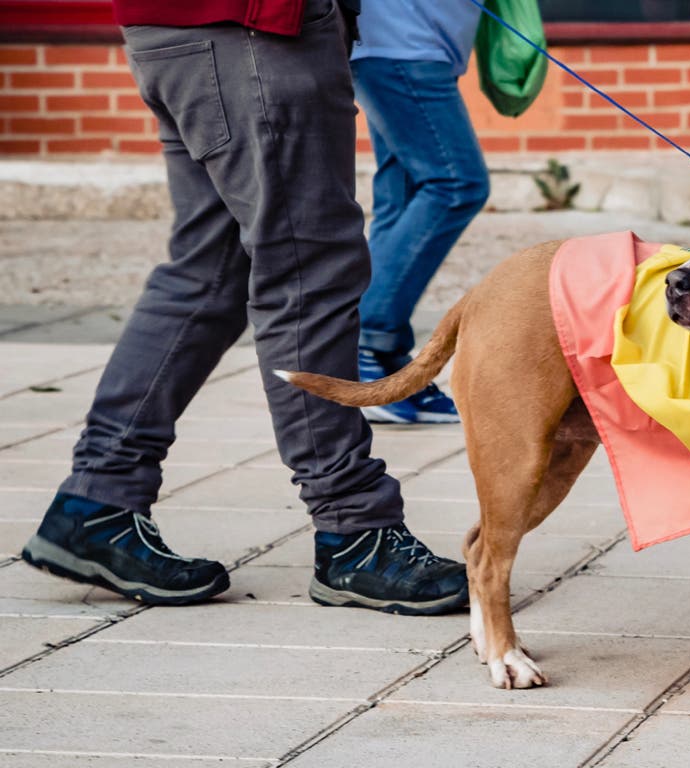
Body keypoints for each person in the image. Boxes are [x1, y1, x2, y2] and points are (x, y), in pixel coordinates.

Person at [19, 0, 469, 616]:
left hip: (182, 29)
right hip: (257, 31)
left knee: (212, 271)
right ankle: (355, 533)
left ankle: (97, 502)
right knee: (309, 268)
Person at [349, 0, 491, 424]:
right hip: (404, 46)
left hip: (401, 46)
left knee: (404, 195)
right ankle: (368, 346)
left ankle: (377, 358)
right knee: (456, 184)